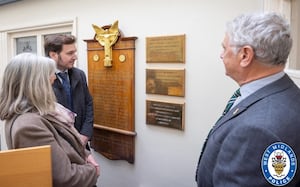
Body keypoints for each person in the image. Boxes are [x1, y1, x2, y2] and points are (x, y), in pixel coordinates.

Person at [195, 12, 300, 187]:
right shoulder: (288, 93)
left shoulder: (257, 131)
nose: (221, 55)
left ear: (245, 55)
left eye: (224, 48)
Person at [0, 53, 99, 187]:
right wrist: (92, 170)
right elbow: (65, 178)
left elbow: (65, 142)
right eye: (50, 75)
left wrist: (86, 154)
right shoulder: (29, 126)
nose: (53, 78)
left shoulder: (41, 112)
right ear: (35, 83)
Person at [44, 34, 93, 149]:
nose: (75, 57)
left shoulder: (79, 75)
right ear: (53, 55)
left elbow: (88, 104)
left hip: (82, 144)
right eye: (70, 53)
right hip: (59, 147)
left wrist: (85, 134)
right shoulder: (42, 80)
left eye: (74, 52)